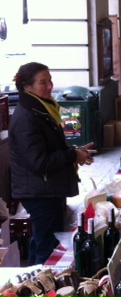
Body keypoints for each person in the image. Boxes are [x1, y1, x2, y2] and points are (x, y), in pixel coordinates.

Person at [9, 62, 95, 264]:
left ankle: (32, 285)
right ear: (27, 87)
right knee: (47, 247)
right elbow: (39, 161)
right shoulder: (27, 117)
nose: (50, 86)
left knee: (41, 242)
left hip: (46, 187)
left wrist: (74, 152)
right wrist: (72, 156)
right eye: (43, 82)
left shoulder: (40, 108)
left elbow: (49, 149)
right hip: (39, 191)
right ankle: (44, 290)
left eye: (50, 80)